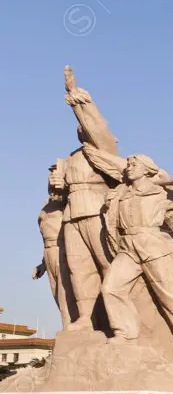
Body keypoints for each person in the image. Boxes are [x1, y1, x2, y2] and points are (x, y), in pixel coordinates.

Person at [101, 155, 173, 366]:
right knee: (111, 288)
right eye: (128, 165)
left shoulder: (160, 192)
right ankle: (125, 333)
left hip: (154, 247)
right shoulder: (122, 193)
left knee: (172, 298)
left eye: (134, 165)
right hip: (128, 247)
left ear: (147, 169)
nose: (129, 168)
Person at [58, 66, 124, 330]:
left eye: (84, 126)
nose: (81, 129)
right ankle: (85, 318)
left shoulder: (103, 149)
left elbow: (97, 125)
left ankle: (115, 319)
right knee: (78, 267)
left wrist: (74, 95)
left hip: (96, 209)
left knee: (107, 264)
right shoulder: (72, 157)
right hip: (72, 214)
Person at [32, 162, 72, 327]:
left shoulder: (68, 203)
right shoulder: (46, 205)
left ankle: (70, 328)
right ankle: (67, 325)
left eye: (56, 174)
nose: (51, 178)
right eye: (50, 175)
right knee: (56, 292)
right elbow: (45, 235)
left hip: (64, 250)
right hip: (49, 251)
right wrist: (42, 264)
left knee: (65, 292)